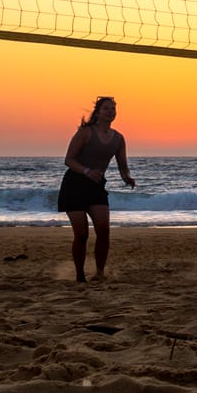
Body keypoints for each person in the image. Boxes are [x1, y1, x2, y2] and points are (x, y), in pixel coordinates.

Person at [59, 96, 135, 282]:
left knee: (103, 231)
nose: (111, 111)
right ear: (98, 112)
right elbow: (69, 160)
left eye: (113, 109)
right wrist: (86, 171)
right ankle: (80, 274)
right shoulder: (86, 132)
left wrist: (127, 177)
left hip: (96, 188)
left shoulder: (118, 138)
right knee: (82, 234)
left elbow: (122, 165)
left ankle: (100, 273)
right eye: (106, 108)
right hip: (74, 186)